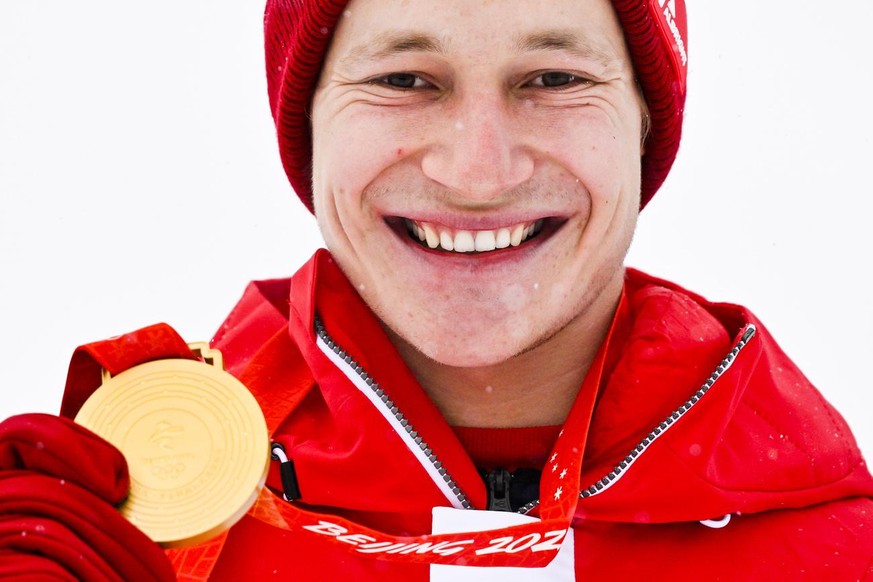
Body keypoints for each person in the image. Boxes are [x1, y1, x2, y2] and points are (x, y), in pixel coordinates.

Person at [1, 0, 872, 580]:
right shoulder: (129, 530)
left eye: (555, 79)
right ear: (307, 122)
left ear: (644, 122)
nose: (477, 172)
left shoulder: (834, 551)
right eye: (403, 80)